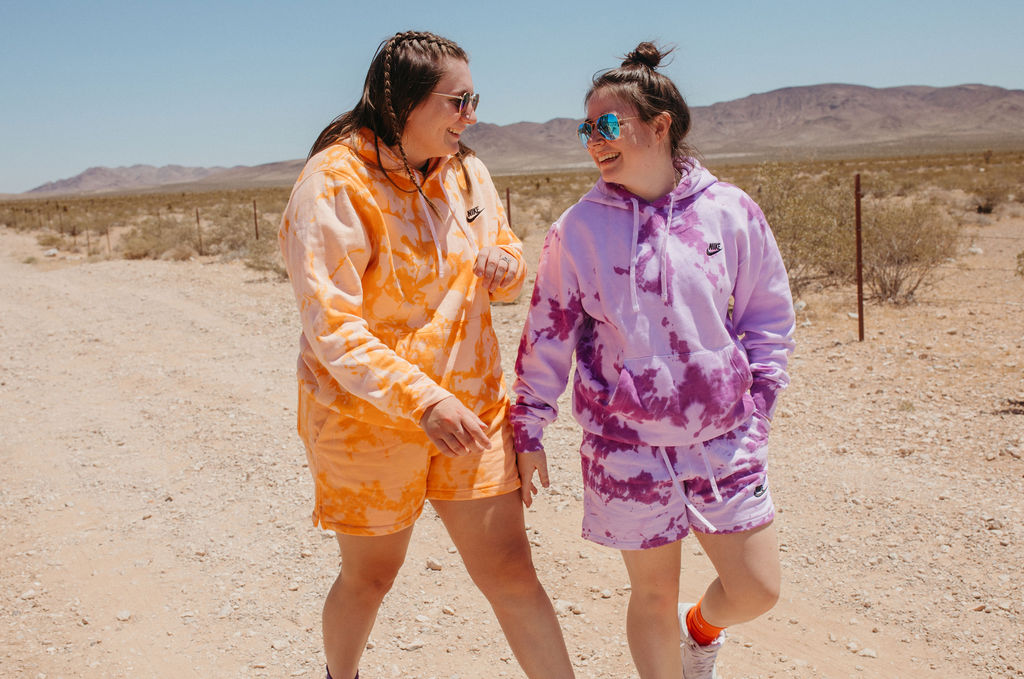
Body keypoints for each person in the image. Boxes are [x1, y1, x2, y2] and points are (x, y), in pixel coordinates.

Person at [278, 31, 574, 679]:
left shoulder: (468, 170)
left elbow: (504, 249)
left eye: (475, 100)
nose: (472, 116)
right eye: (459, 101)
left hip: (470, 409)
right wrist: (424, 398)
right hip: (369, 421)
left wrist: (508, 264)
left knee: (511, 571)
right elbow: (333, 329)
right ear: (405, 100)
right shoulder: (333, 185)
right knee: (371, 576)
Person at [512, 42, 796, 679]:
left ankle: (702, 630)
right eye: (587, 129)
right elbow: (547, 333)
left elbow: (768, 316)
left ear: (659, 125)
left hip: (724, 440)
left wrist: (759, 405)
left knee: (757, 589)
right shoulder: (579, 228)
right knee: (650, 596)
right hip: (625, 448)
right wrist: (528, 427)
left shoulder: (729, 211)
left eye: (608, 125)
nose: (595, 140)